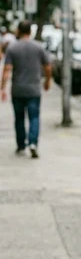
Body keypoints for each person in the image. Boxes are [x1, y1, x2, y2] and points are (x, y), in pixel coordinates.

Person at [1, 21, 53, 158]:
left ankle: (20, 145)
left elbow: (7, 70)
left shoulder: (12, 48)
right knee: (34, 117)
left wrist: (3, 88)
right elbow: (47, 66)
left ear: (18, 30)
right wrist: (48, 81)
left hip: (17, 89)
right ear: (30, 32)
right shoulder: (38, 47)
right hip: (34, 90)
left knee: (19, 118)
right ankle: (33, 143)